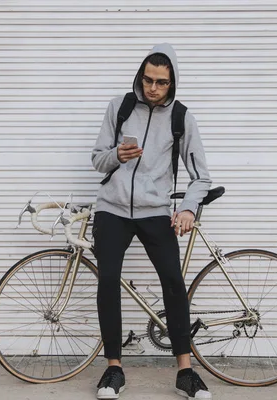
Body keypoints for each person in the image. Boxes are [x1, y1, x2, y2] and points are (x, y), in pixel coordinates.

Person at [91, 43, 213, 399]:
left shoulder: (181, 117)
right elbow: (98, 159)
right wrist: (116, 155)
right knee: (108, 281)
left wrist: (189, 208)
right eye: (148, 80)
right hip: (111, 209)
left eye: (161, 82)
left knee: (174, 283)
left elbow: (201, 176)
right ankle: (114, 369)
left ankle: (186, 373)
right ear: (140, 77)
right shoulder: (120, 107)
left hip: (155, 211)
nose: (153, 88)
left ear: (172, 83)